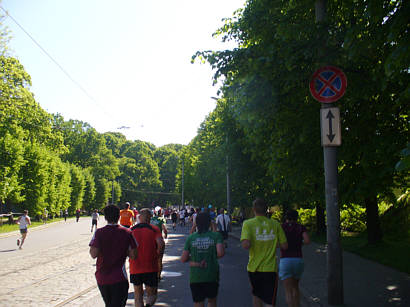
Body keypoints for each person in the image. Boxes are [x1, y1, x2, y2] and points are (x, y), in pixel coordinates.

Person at [241, 198, 288, 307]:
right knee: (270, 300)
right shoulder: (275, 224)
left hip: (253, 268)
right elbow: (285, 246)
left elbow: (245, 245)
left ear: (253, 209)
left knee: (256, 295)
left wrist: (256, 240)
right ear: (267, 209)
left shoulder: (248, 224)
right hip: (270, 268)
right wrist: (271, 242)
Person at [89, 205, 138, 307]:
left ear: (105, 217)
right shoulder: (127, 232)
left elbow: (93, 254)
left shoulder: (99, 232)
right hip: (119, 277)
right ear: (119, 217)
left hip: (102, 277)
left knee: (109, 304)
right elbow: (134, 255)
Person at [181, 212, 225, 307]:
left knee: (198, 302)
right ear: (209, 223)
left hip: (196, 276)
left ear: (196, 223)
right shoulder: (216, 236)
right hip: (212, 275)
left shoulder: (191, 238)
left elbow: (183, 259)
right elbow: (220, 253)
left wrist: (193, 258)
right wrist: (211, 255)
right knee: (211, 301)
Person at [130, 208, 165, 307]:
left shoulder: (132, 230)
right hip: (150, 266)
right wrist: (158, 255)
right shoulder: (154, 229)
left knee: (138, 296)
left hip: (135, 266)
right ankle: (149, 304)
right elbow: (161, 244)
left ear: (140, 217)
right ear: (150, 218)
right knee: (152, 294)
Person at [279, 209, 310, 307]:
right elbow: (307, 241)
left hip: (285, 260)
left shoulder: (281, 227)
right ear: (297, 217)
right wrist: (299, 243)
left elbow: (276, 243)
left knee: (288, 291)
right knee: (296, 288)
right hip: (298, 260)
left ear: (286, 217)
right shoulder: (300, 227)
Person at [151, 208, 168, 279]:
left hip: (151, 240)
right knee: (159, 259)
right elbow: (164, 229)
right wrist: (166, 235)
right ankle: (158, 275)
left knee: (151, 258)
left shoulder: (151, 219)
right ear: (160, 212)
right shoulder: (161, 219)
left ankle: (152, 273)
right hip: (159, 240)